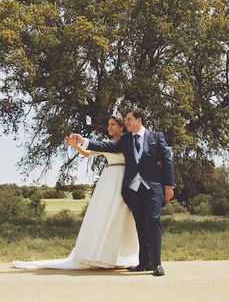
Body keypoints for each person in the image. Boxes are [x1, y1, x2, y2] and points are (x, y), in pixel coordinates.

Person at [12, 115, 139, 270]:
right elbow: (87, 154)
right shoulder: (106, 144)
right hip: (110, 179)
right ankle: (101, 254)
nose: (109, 127)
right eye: (108, 125)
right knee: (106, 214)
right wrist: (75, 145)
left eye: (113, 124)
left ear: (121, 127)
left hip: (125, 177)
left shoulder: (128, 141)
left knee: (122, 216)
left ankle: (121, 255)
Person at [70, 108, 175, 276]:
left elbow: (167, 160)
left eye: (128, 119)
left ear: (139, 120)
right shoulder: (125, 140)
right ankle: (144, 263)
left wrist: (169, 186)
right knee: (140, 225)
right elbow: (107, 145)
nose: (126, 123)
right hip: (132, 190)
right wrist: (84, 141)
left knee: (152, 221)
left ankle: (157, 264)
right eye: (125, 120)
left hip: (153, 188)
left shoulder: (156, 137)